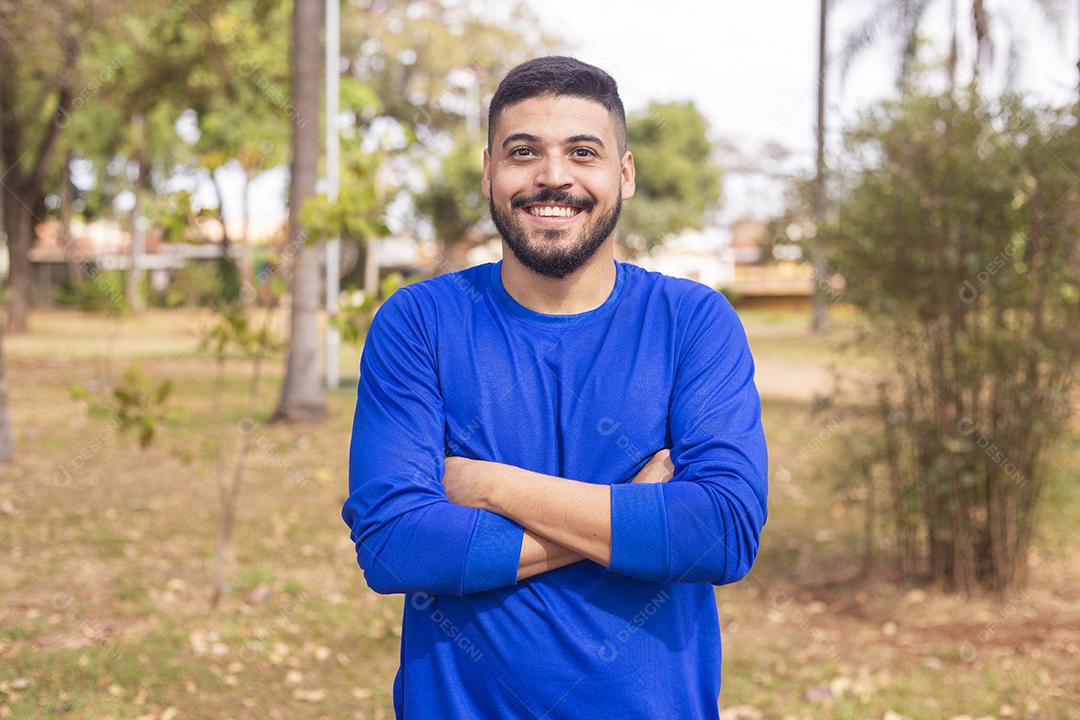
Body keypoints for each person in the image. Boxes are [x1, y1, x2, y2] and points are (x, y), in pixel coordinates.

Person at [341, 55, 769, 720]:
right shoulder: (421, 323)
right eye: (523, 151)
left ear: (623, 174)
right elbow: (396, 545)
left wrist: (494, 487)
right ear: (489, 171)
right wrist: (631, 512)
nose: (553, 175)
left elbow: (720, 532)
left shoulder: (692, 322)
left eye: (583, 151)